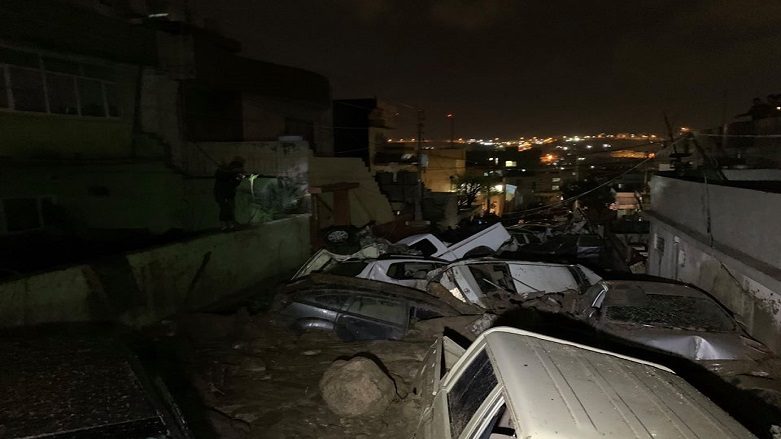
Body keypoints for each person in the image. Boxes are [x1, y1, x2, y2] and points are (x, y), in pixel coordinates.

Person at [214, 156, 246, 231]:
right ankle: (224, 224)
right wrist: (233, 173)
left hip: (228, 193)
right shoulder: (223, 172)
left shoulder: (235, 173)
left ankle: (229, 223)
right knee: (225, 208)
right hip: (221, 193)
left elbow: (236, 182)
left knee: (230, 208)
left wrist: (239, 175)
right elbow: (221, 176)